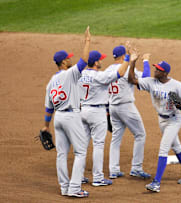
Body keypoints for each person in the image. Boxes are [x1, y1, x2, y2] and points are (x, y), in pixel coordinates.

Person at [127, 53, 181, 193]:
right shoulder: (151, 82)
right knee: (176, 146)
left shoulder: (176, 85)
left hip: (174, 119)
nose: (155, 71)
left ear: (164, 73)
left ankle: (156, 182)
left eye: (158, 69)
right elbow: (131, 79)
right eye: (155, 68)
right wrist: (132, 62)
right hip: (162, 120)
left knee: (164, 148)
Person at [41, 26, 91, 197]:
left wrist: (45, 126)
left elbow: (49, 108)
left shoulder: (51, 81)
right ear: (63, 63)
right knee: (81, 152)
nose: (71, 60)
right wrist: (87, 41)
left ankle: (64, 187)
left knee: (61, 154)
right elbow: (84, 61)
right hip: (71, 116)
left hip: (58, 118)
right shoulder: (69, 74)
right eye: (68, 59)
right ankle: (75, 188)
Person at [77, 43, 132, 186]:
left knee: (82, 146)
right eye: (100, 59)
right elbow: (120, 73)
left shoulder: (80, 74)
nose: (101, 61)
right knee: (98, 145)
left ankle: (79, 175)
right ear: (95, 62)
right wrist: (128, 57)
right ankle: (98, 178)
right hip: (97, 112)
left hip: (83, 111)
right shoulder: (99, 76)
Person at [106, 45, 151, 179]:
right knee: (140, 135)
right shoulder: (126, 70)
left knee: (115, 138)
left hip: (113, 107)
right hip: (126, 107)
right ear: (122, 56)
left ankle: (113, 170)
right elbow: (146, 78)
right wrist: (145, 61)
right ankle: (136, 168)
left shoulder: (108, 70)